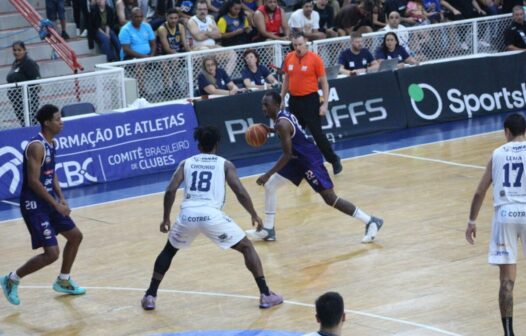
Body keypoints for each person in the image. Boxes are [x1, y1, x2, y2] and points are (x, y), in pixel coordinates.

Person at [141, 126, 283, 310]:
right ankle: (265, 294)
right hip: (212, 216)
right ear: (216, 145)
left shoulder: (186, 163)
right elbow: (239, 191)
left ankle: (150, 296)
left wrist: (166, 218)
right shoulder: (225, 164)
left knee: (169, 250)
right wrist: (253, 214)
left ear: (198, 146)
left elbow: (170, 189)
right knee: (247, 247)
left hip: (188, 215)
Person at [246, 91, 383, 243]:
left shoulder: (282, 123)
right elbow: (292, 135)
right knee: (271, 185)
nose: (263, 108)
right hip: (297, 158)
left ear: (277, 105)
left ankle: (371, 221)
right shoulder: (282, 118)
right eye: (262, 105)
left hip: (308, 160)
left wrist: (267, 173)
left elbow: (286, 154)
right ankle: (268, 230)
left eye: (266, 105)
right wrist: (271, 130)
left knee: (330, 198)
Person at [0, 105, 86, 306]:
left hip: (49, 201)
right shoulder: (36, 146)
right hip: (34, 204)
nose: (61, 122)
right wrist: (56, 206)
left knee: (75, 236)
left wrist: (61, 197)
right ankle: (11, 279)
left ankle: (63, 280)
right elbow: (33, 181)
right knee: (51, 254)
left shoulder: (52, 143)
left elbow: (51, 173)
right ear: (47, 122)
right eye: (57, 119)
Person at [465, 113, 526, 336]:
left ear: (506, 132)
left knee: (507, 281)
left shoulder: (498, 154)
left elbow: (479, 191)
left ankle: (508, 332)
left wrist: (471, 221)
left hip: (506, 213)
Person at [280, 32, 343, 175]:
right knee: (294, 136)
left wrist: (325, 104)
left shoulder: (315, 59)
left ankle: (333, 160)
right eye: (295, 45)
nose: (298, 47)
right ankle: (300, 166)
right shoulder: (289, 57)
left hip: (310, 101)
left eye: (300, 44)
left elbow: (324, 83)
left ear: (306, 43)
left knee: (317, 134)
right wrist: (282, 98)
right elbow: (286, 80)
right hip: (294, 101)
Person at [6, 41, 41, 127]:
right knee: (24, 124)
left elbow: (36, 82)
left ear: (24, 50)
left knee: (30, 123)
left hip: (28, 100)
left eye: (19, 50)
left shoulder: (29, 63)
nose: (16, 52)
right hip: (17, 101)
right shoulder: (16, 63)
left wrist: (28, 95)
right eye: (14, 50)